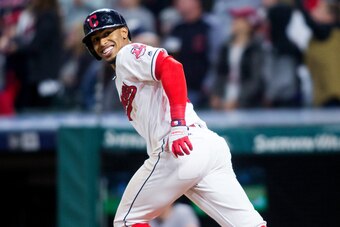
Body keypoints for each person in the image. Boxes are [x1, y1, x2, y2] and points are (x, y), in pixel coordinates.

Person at [82, 8, 266, 227]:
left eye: (106, 34)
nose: (102, 42)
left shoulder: (127, 55)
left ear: (123, 32)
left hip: (177, 146)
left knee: (127, 221)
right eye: (95, 39)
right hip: (208, 147)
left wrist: (178, 126)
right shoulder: (123, 68)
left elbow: (171, 67)